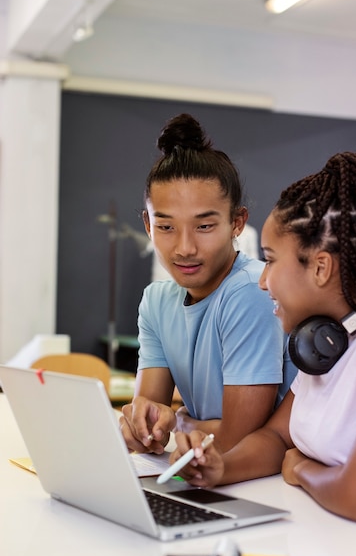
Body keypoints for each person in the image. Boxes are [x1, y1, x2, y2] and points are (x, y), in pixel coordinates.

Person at [171, 151, 356, 524]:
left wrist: (301, 469)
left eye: (270, 259)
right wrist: (220, 467)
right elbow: (274, 439)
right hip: (335, 543)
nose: (263, 280)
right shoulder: (326, 341)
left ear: (320, 267)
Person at [120, 113, 295, 454]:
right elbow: (149, 430)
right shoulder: (156, 301)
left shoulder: (251, 290)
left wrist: (181, 421)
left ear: (237, 223)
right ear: (147, 225)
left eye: (204, 226)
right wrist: (142, 425)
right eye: (166, 227)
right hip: (201, 473)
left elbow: (236, 441)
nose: (184, 248)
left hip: (260, 482)